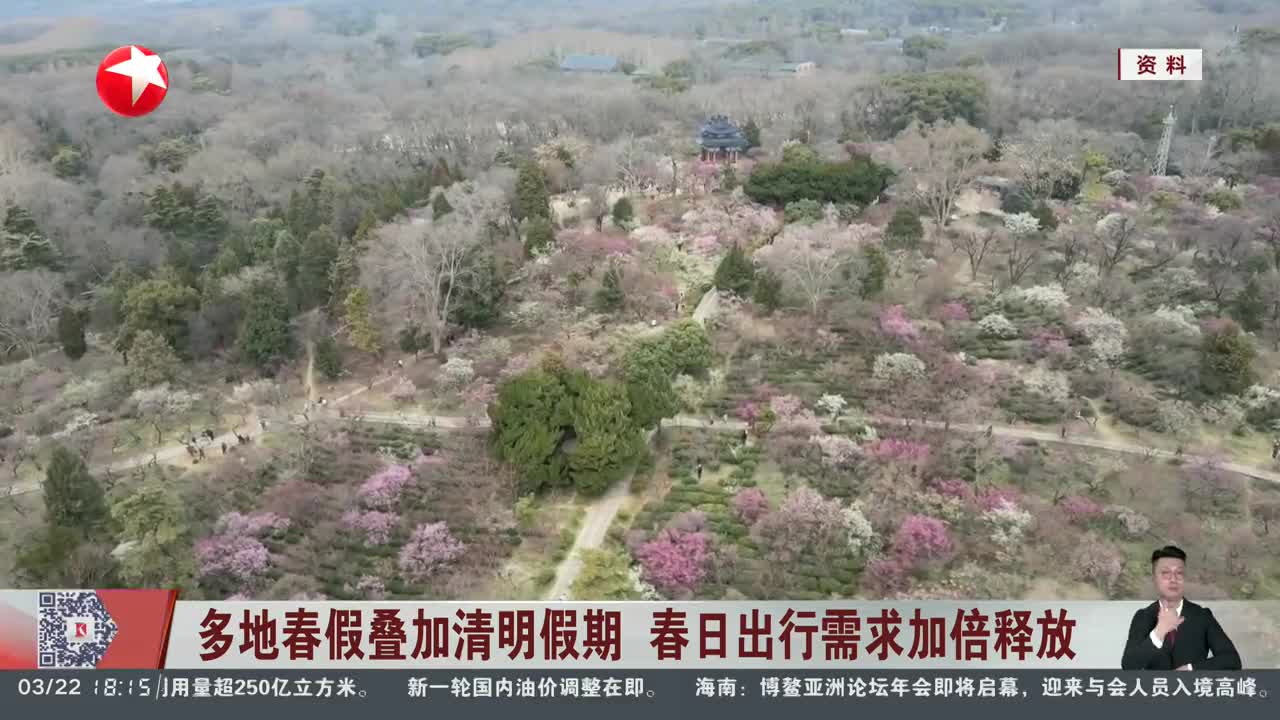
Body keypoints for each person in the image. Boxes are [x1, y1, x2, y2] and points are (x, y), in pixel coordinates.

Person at [1121, 545, 1241, 670]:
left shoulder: (1202, 616)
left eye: (1179, 573)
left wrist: (1190, 669)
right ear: (1154, 579)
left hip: (1192, 683)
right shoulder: (1143, 616)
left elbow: (1232, 660)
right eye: (1165, 573)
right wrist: (1159, 631)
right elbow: (1129, 665)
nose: (1173, 579)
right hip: (1156, 684)